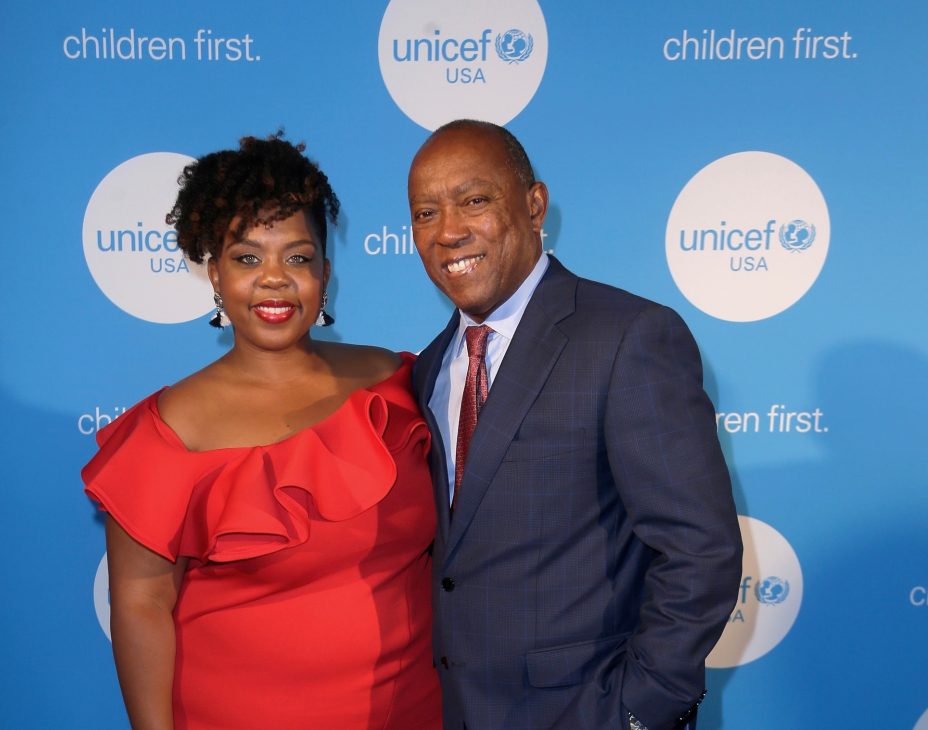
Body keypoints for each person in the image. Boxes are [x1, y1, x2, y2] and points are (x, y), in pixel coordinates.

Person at [83, 132, 441, 729]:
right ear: (215, 274)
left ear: (325, 273)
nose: (274, 278)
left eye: (297, 258)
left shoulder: (393, 383)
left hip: (413, 713)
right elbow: (142, 605)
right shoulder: (169, 431)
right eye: (247, 258)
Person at [407, 119, 743, 730]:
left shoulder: (628, 336)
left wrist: (638, 710)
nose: (448, 231)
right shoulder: (430, 369)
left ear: (535, 205)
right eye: (426, 213)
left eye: (474, 201)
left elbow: (700, 550)